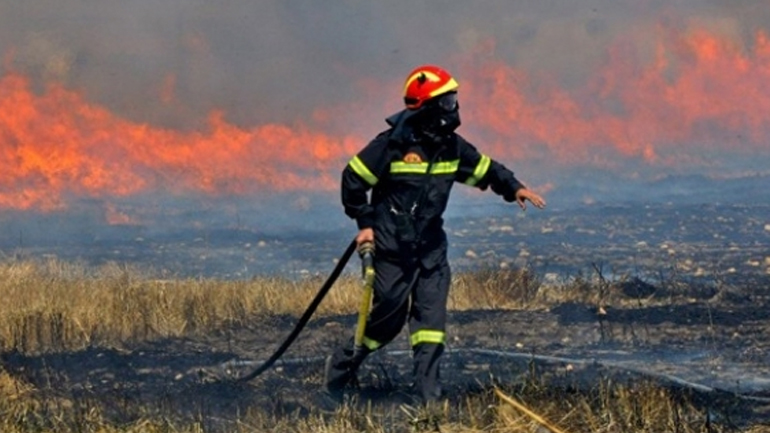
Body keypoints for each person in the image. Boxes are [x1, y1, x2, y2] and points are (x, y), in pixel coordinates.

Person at [324, 64, 546, 404]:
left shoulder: (451, 147)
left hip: (430, 251)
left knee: (431, 327)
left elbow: (484, 169)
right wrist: (365, 224)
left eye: (453, 99)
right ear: (426, 107)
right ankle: (340, 371)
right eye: (445, 101)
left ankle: (429, 402)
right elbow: (352, 180)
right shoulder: (392, 146)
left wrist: (514, 187)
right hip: (392, 250)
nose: (452, 108)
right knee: (385, 325)